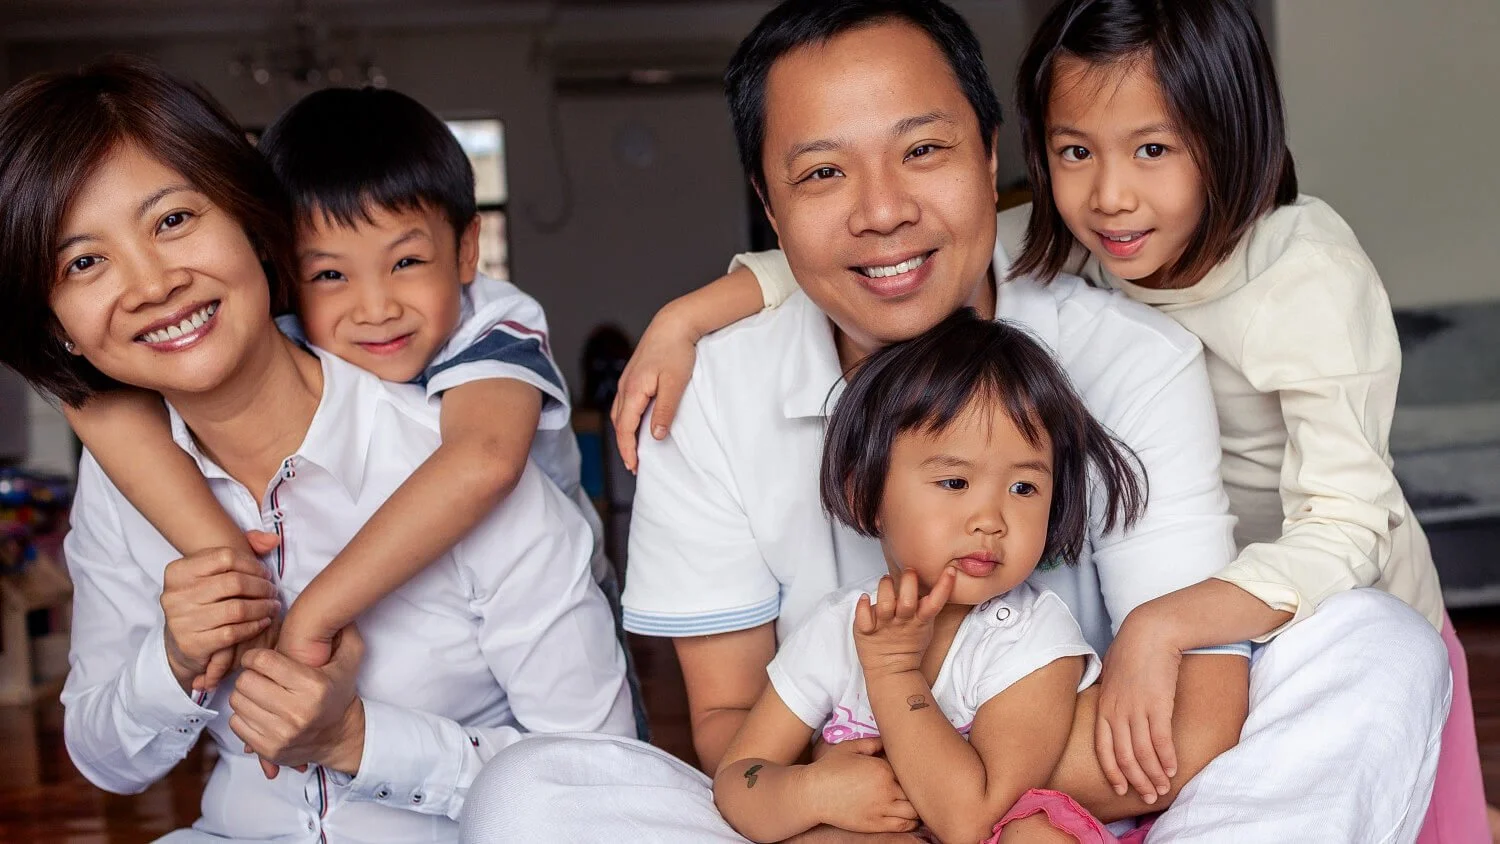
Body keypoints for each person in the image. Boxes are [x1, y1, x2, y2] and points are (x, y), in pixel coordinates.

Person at [461, 1, 1450, 842]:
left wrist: (952, 774)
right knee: (529, 791)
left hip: (1070, 805)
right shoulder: (702, 391)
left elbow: (1196, 721)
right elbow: (730, 729)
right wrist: (874, 779)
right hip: (843, 812)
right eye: (823, 175)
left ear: (990, 160)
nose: (883, 211)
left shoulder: (1131, 354)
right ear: (769, 200)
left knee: (1377, 645)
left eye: (922, 152)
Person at [0, 58, 633, 841]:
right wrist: (171, 661)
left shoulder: (456, 444)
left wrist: (360, 740)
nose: (152, 283)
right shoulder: (121, 477)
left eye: (172, 220)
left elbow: (605, 782)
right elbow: (107, 760)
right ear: (55, 316)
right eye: (84, 261)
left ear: (252, 223)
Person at [714, 310, 1143, 844]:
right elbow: (737, 778)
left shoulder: (1033, 637)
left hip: (988, 828)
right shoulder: (839, 627)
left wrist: (894, 673)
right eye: (955, 481)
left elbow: (971, 820)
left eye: (1024, 489)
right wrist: (809, 792)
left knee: (1036, 835)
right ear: (863, 492)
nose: (991, 519)